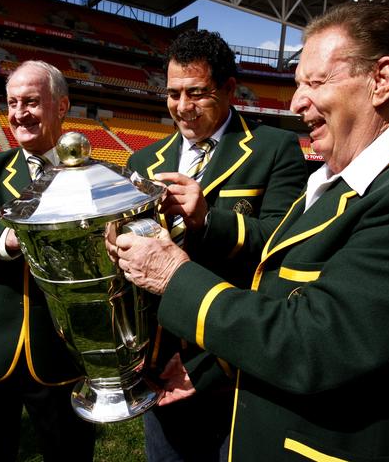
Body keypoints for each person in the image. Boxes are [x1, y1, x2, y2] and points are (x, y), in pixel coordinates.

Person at [116, 3, 389, 461]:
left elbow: (319, 343)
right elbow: (272, 297)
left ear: (382, 80)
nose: (296, 103)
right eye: (297, 85)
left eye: (314, 82)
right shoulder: (330, 183)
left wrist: (174, 276)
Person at [126, 29, 308, 461]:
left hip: (233, 356)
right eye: (173, 94)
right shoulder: (142, 161)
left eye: (196, 93)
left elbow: (282, 249)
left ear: (228, 89)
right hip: (161, 362)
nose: (182, 107)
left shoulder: (275, 148)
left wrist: (209, 220)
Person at [0, 60, 95, 462]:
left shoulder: (95, 175)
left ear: (61, 106)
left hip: (63, 355)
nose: (17, 114)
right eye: (12, 103)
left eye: (30, 101)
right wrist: (11, 239)